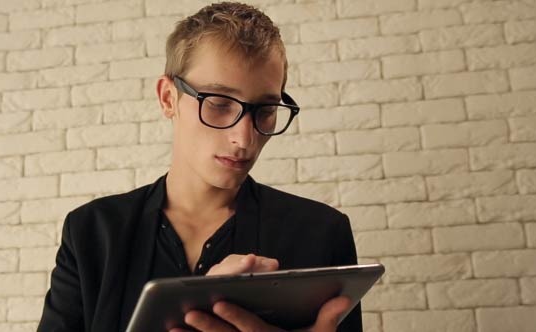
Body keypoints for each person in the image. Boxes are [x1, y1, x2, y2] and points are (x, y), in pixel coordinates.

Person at [38, 2, 361, 331]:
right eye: (219, 104)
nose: (244, 138)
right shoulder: (90, 232)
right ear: (168, 98)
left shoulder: (321, 234)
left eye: (265, 110)